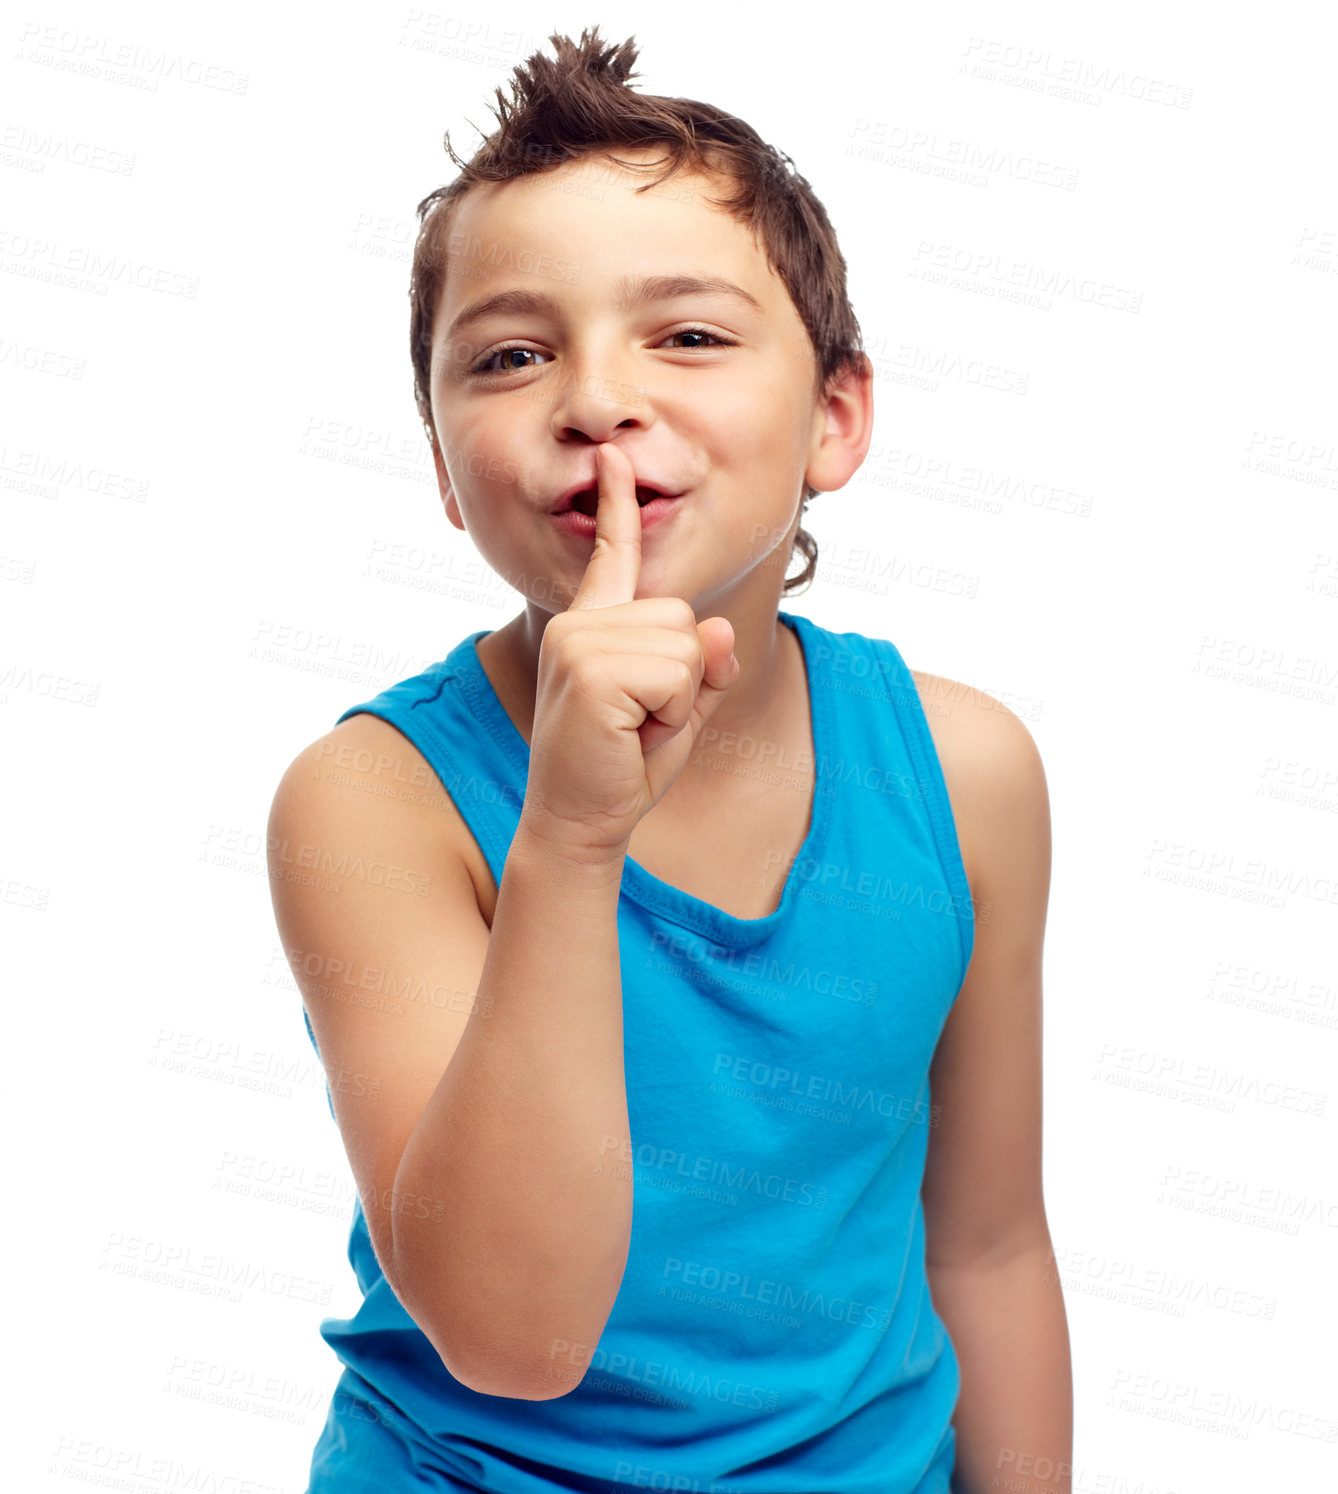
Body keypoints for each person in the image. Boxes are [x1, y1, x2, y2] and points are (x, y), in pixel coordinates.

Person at [266, 25, 1073, 1494]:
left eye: (687, 335)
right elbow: (515, 1337)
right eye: (511, 355)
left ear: (834, 418)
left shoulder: (967, 774)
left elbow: (990, 1241)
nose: (594, 397)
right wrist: (571, 836)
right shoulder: (371, 800)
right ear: (447, 474)